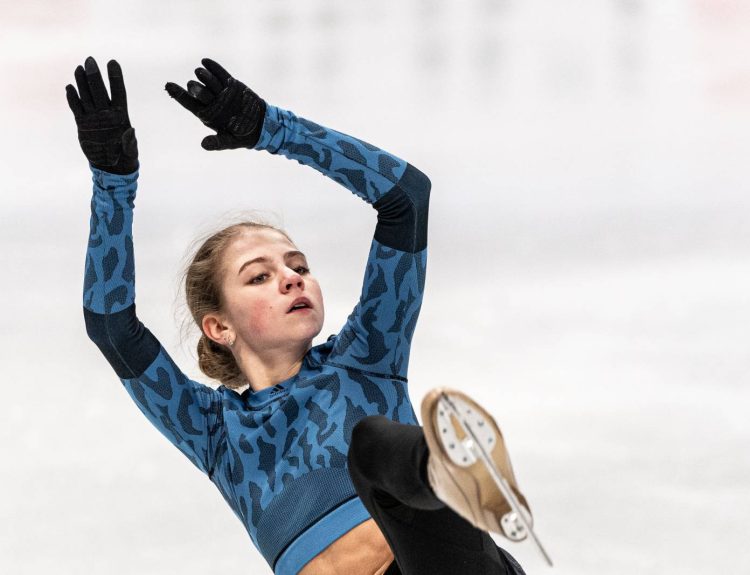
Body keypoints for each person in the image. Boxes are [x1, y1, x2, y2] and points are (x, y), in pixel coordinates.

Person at [67, 56, 529, 575]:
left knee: (371, 445)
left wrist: (273, 128)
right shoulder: (215, 432)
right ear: (219, 327)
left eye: (299, 266)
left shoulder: (366, 361)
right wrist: (113, 184)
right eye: (259, 277)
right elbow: (112, 328)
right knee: (370, 448)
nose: (291, 278)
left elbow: (406, 198)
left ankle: (441, 464)